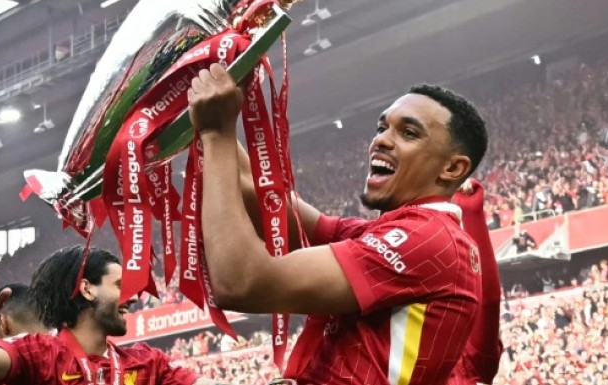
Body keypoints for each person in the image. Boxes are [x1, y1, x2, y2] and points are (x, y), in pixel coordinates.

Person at [188, 67, 487, 385]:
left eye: (409, 133)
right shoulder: (386, 233)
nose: (382, 140)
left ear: (452, 168)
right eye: (382, 127)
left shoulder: (428, 240)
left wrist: (216, 134)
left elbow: (242, 283)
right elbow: (267, 204)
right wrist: (210, 96)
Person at [0, 246, 219, 385]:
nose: (135, 296)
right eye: (120, 286)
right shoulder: (38, 355)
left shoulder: (148, 364)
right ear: (87, 289)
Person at [448, 179, 503, 385]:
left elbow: (488, 300)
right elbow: (489, 300)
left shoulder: (466, 364)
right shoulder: (472, 365)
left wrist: (472, 215)